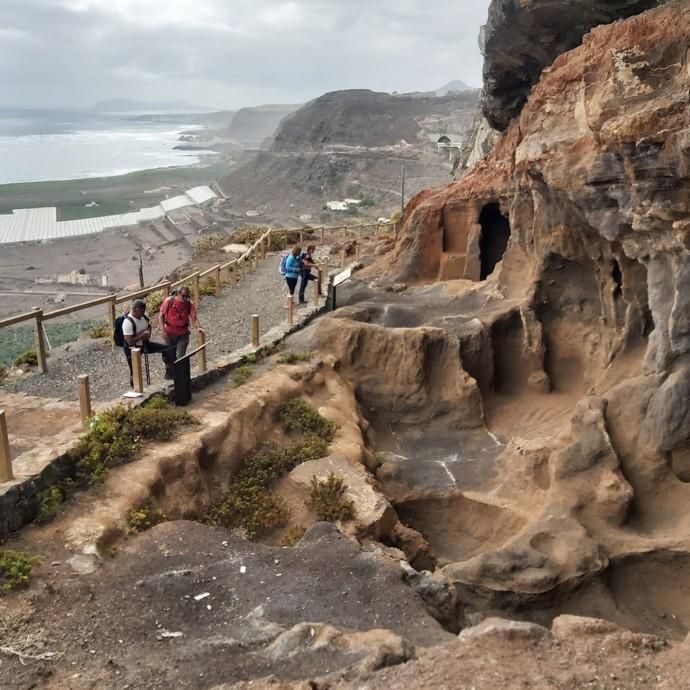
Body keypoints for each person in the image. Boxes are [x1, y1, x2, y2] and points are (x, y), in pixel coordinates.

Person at [121, 299, 174, 386]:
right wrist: (142, 335)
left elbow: (148, 326)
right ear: (135, 310)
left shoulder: (144, 316)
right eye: (141, 312)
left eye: (144, 311)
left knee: (167, 349)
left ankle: (169, 372)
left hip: (145, 344)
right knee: (134, 371)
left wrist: (148, 333)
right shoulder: (127, 322)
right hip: (132, 349)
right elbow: (129, 341)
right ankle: (135, 389)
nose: (143, 313)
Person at [159, 286, 204, 367]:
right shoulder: (169, 301)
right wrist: (163, 331)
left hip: (183, 333)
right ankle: (170, 372)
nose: (185, 298)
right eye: (184, 296)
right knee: (169, 355)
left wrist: (198, 327)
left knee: (181, 356)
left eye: (187, 296)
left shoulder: (189, 304)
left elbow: (194, 317)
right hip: (169, 332)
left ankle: (180, 376)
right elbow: (161, 316)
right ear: (178, 294)